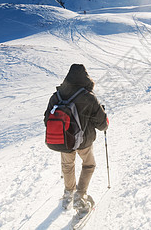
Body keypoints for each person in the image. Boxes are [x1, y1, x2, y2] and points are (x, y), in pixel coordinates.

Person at [44, 64, 109, 212]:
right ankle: (80, 197)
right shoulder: (88, 96)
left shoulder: (57, 96)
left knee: (67, 165)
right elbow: (102, 124)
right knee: (89, 165)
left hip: (64, 141)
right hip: (84, 141)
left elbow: (46, 120)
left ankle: (68, 194)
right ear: (85, 78)